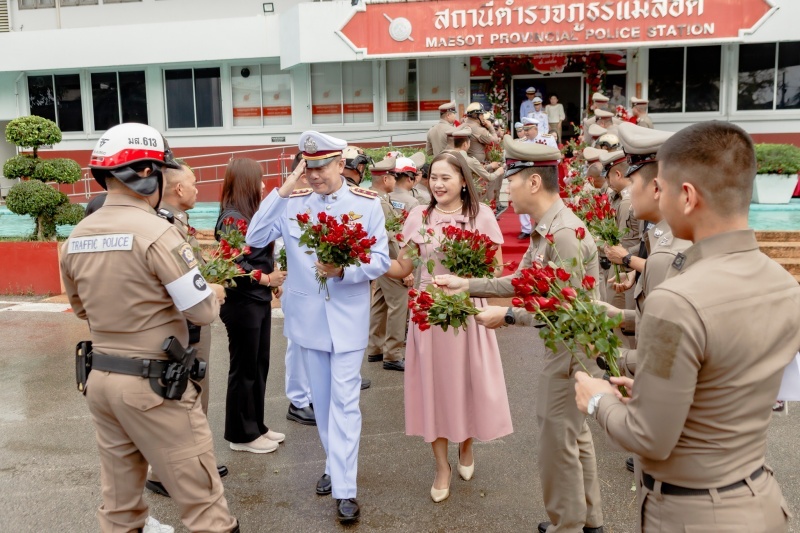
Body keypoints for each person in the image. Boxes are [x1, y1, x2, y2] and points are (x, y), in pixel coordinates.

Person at [574, 120, 800, 533]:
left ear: (688, 196)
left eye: (661, 187)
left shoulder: (677, 300)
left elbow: (648, 437)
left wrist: (597, 399)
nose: (656, 195)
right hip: (762, 502)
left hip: (694, 514)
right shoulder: (785, 285)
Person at [61, 123, 239, 533]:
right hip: (155, 386)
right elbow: (201, 311)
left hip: (101, 379)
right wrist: (213, 292)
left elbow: (80, 308)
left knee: (120, 507)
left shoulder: (77, 236)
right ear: (145, 173)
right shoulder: (157, 232)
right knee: (205, 506)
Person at [436, 137, 604, 533]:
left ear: (533, 182)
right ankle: (587, 521)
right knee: (572, 436)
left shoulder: (565, 233)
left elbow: (567, 306)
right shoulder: (548, 229)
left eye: (510, 180)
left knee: (557, 443)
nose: (505, 189)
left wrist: (508, 316)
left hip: (572, 348)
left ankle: (568, 526)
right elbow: (520, 280)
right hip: (565, 344)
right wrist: (467, 285)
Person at [246, 130, 390, 523]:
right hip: (308, 321)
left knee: (345, 402)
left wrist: (344, 270)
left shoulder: (366, 204)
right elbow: (254, 238)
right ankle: (333, 463)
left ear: (341, 164)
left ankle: (346, 488)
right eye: (307, 167)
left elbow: (380, 260)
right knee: (324, 404)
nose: (313, 175)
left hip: (347, 319)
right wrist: (284, 188)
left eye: (321, 167)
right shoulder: (292, 203)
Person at [386, 150, 512, 503]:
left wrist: (468, 278)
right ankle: (441, 467)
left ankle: (466, 443)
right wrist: (366, 260)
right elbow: (403, 267)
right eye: (434, 178)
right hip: (429, 313)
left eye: (446, 177)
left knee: (466, 384)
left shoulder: (481, 216)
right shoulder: (419, 215)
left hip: (468, 309)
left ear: (463, 181)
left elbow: (496, 270)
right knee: (435, 390)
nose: (438, 184)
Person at [146, 160, 229, 497]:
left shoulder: (175, 221)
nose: (197, 189)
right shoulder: (165, 225)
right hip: (183, 323)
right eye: (193, 183)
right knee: (182, 396)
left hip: (187, 320)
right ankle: (165, 472)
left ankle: (192, 462)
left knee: (194, 393)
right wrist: (211, 290)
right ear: (179, 189)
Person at [217, 158, 287, 454]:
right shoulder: (233, 218)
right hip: (242, 303)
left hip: (256, 300)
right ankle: (241, 435)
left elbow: (256, 257)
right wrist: (267, 278)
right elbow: (233, 263)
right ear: (246, 182)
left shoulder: (249, 214)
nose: (262, 185)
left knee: (258, 366)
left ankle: (256, 425)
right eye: (258, 179)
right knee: (244, 369)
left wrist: (272, 278)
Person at [366, 155, 409, 372]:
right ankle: (393, 353)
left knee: (381, 301)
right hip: (388, 259)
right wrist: (402, 268)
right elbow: (388, 239)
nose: (395, 180)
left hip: (378, 259)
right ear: (385, 179)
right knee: (399, 302)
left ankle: (375, 347)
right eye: (393, 176)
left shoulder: (374, 198)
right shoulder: (380, 202)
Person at [283, 153, 316, 425]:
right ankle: (298, 401)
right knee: (298, 347)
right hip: (297, 287)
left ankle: (312, 395)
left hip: (322, 288)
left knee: (315, 346)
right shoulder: (287, 204)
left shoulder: (323, 203)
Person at [451, 127, 504, 202]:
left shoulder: (446, 157)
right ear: (465, 144)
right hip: (465, 197)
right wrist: (499, 171)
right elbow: (489, 177)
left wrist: (489, 166)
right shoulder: (469, 161)